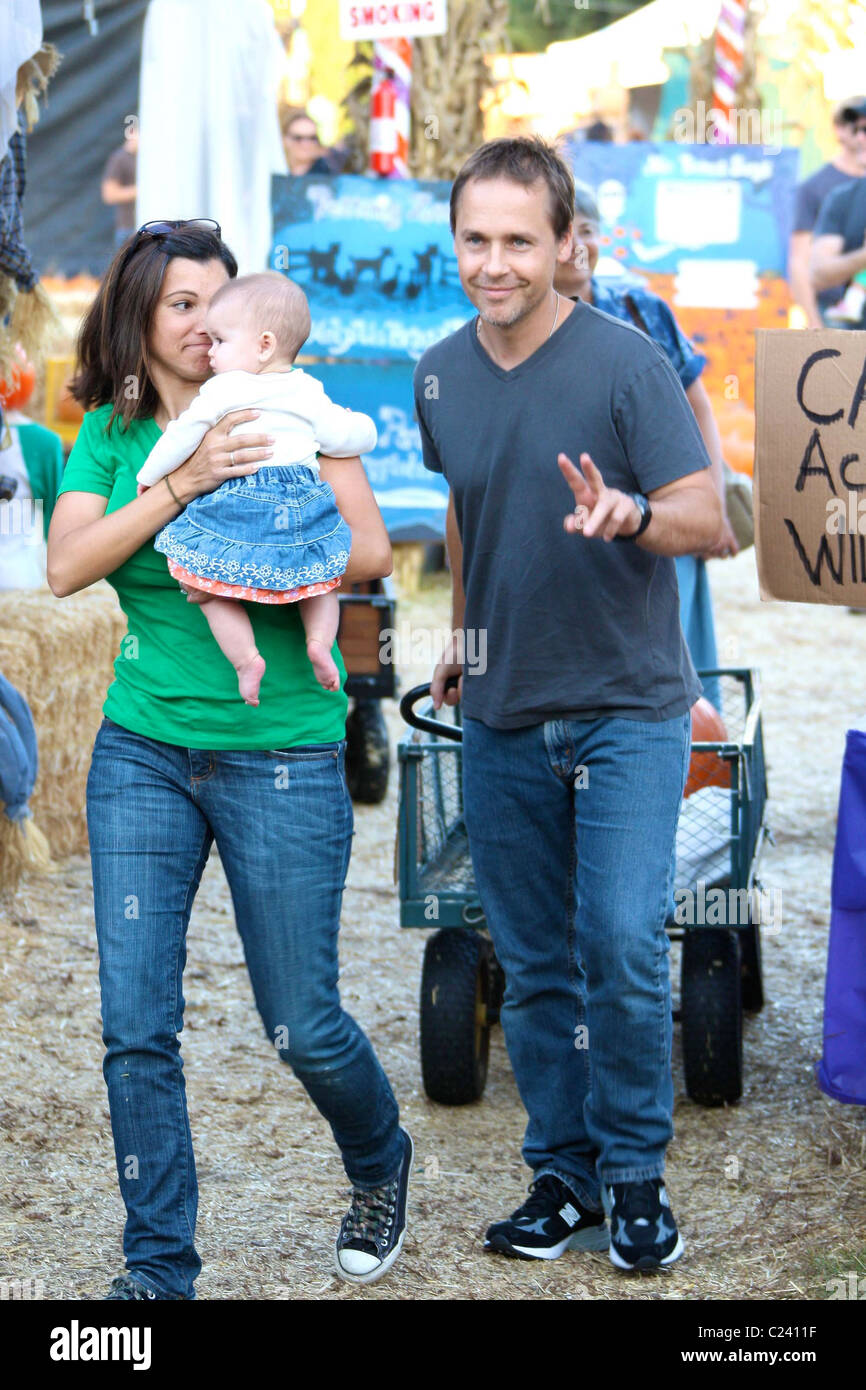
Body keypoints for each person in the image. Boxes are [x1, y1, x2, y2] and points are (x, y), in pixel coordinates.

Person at [47, 219, 412, 1299]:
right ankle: (159, 1269)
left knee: (300, 1022)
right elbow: (68, 565)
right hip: (144, 749)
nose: (207, 322)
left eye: (219, 298)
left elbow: (374, 550)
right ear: (140, 324)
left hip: (282, 752)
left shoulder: (292, 400)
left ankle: (377, 1156)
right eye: (180, 306)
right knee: (135, 1029)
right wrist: (187, 479)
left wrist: (268, 526)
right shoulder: (117, 436)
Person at [414, 137, 721, 1272]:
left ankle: (635, 1173)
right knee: (534, 955)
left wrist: (632, 514)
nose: (494, 263)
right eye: (475, 240)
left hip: (627, 708)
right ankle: (564, 1173)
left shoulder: (625, 365)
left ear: (563, 243)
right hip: (501, 711)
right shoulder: (437, 370)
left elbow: (713, 520)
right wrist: (463, 640)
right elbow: (464, 510)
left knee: (618, 941)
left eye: (518, 241)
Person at [136, 270, 377, 703]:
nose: (210, 351)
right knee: (323, 581)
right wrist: (365, 426)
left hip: (241, 507)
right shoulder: (308, 390)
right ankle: (319, 643)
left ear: (264, 344)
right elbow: (345, 436)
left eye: (221, 341)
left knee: (205, 586)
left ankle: (247, 659)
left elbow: (182, 434)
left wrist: (149, 477)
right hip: (300, 508)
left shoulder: (223, 389)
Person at [554, 182, 738, 708]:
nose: (578, 246)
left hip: (663, 514)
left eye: (587, 230)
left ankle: (696, 780)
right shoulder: (515, 330)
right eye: (565, 234)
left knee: (678, 668)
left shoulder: (642, 311)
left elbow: (699, 406)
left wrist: (714, 504)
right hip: (576, 532)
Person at [789, 98, 866, 327]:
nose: (858, 132)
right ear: (839, 129)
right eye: (853, 124)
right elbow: (800, 261)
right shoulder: (819, 187)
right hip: (835, 313)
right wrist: (814, 322)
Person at [101, 122, 139, 249]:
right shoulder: (120, 158)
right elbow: (109, 194)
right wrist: (143, 190)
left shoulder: (143, 157)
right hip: (128, 228)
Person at [282, 109, 332, 176]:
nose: (306, 144)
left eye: (312, 138)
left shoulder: (331, 174)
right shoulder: (272, 170)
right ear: (284, 139)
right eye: (298, 138)